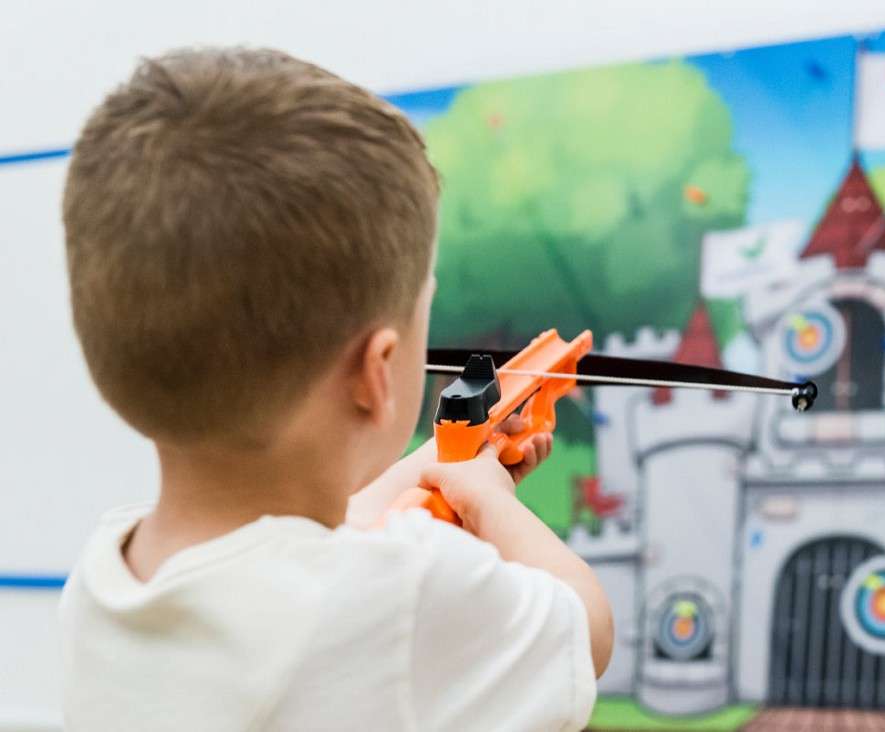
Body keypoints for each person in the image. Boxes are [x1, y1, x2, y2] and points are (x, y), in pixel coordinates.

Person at [57, 47, 612, 731]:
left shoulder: (104, 580)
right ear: (377, 374)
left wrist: (441, 466)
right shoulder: (404, 591)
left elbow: (307, 543)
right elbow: (583, 629)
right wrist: (492, 503)